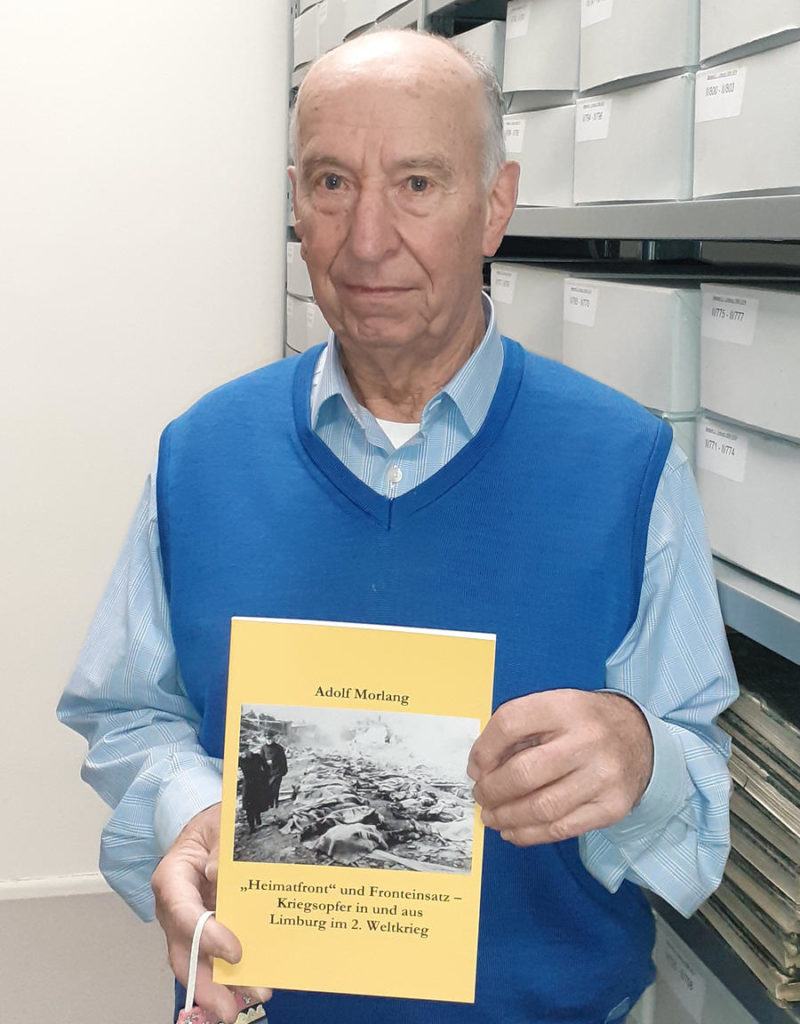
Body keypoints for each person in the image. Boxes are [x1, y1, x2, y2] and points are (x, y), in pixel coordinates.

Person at [58, 28, 738, 1024]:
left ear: (495, 205)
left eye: (417, 183)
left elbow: (701, 789)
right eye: (332, 183)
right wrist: (194, 809)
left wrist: (643, 757)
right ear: (296, 201)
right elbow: (126, 711)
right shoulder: (199, 454)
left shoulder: (627, 467)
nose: (367, 239)